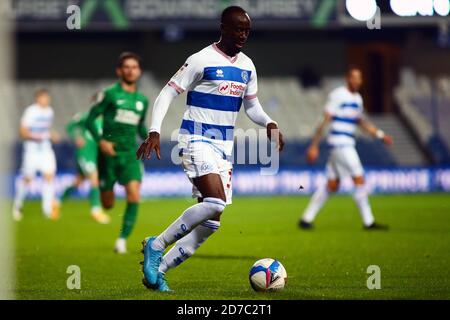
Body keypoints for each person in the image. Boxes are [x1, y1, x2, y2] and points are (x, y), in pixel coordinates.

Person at [137, 6, 284, 292]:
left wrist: (269, 122)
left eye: (247, 31)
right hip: (195, 139)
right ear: (223, 27)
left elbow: (252, 106)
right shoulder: (200, 59)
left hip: (223, 149)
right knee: (214, 202)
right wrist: (154, 130)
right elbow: (168, 92)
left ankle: (159, 271)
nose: (243, 35)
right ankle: (156, 245)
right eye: (238, 29)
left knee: (211, 223)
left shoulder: (247, 66)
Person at [298, 67, 393, 230]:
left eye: (359, 78)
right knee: (359, 179)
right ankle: (368, 222)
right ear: (347, 78)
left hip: (344, 144)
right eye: (354, 77)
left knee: (332, 185)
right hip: (340, 143)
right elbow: (325, 119)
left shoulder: (358, 99)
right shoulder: (338, 95)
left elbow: (361, 122)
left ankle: (306, 219)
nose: (357, 81)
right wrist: (314, 145)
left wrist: (379, 134)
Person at [86, 52, 149, 253]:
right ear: (119, 71)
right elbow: (90, 119)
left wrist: (150, 137)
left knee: (134, 195)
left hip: (129, 154)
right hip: (108, 155)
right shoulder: (110, 94)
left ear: (139, 72)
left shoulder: (142, 100)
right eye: (127, 67)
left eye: (134, 67)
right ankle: (107, 189)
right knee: (108, 204)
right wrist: (101, 141)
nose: (131, 70)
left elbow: (140, 127)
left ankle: (122, 240)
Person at [13, 89, 60, 221]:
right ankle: (18, 204)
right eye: (43, 98)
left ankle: (47, 210)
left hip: (45, 149)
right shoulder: (31, 111)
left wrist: (52, 134)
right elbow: (22, 132)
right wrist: (38, 136)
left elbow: (46, 129)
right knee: (28, 178)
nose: (46, 100)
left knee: (49, 176)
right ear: (37, 99)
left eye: (47, 98)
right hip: (32, 150)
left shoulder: (50, 111)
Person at [61, 102, 110, 224]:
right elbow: (70, 127)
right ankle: (95, 210)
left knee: (78, 182)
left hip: (92, 156)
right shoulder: (87, 117)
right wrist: (76, 137)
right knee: (95, 178)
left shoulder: (106, 123)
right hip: (84, 153)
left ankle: (57, 202)